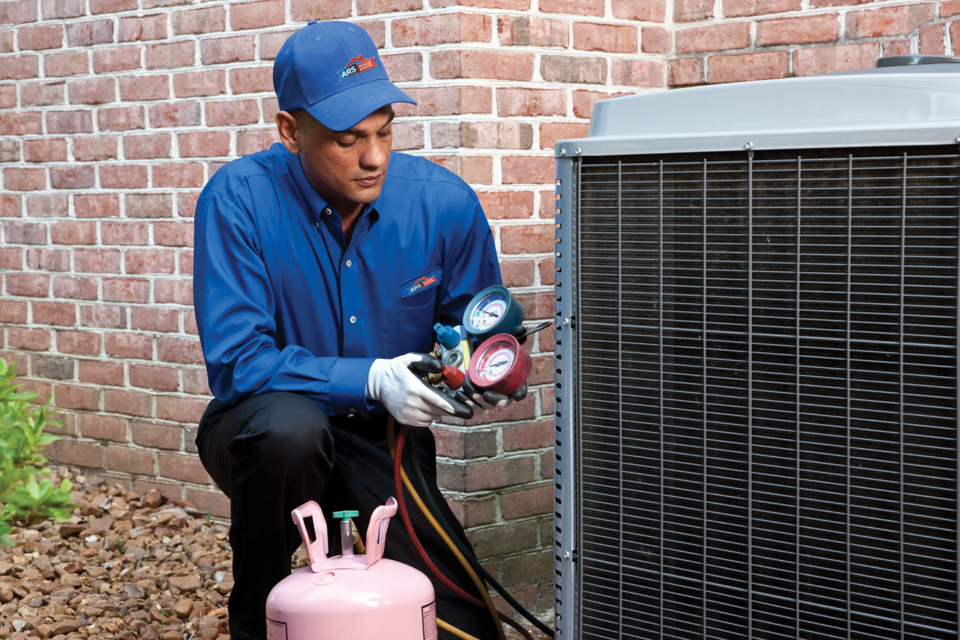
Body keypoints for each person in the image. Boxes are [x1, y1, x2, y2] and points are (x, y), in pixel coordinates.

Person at [191, 20, 527, 640]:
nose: (373, 157)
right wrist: (370, 377)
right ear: (290, 130)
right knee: (289, 433)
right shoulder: (237, 200)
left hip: (382, 438)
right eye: (348, 140)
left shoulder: (443, 204)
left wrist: (478, 374)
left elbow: (473, 327)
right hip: (266, 429)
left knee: (460, 621)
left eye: (384, 132)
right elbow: (238, 362)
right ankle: (259, 615)